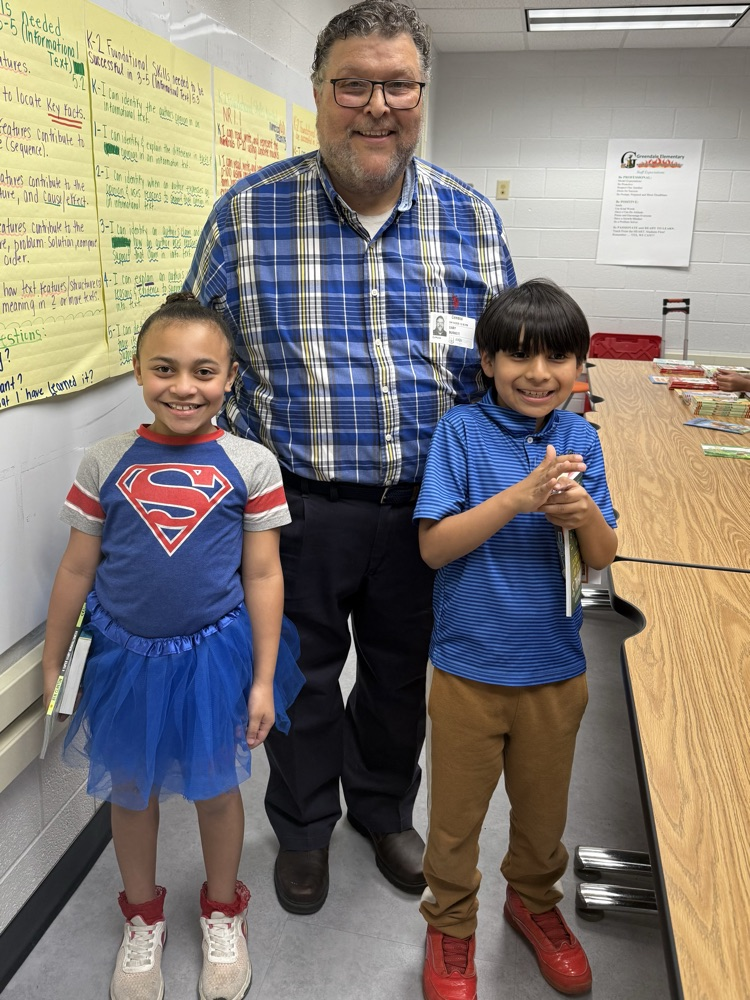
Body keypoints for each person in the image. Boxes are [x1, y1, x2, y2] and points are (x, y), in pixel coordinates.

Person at [185, 0, 516, 916]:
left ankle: (381, 812)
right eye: (354, 85)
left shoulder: (472, 222)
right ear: (320, 93)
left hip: (427, 506)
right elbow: (197, 364)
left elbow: (503, 368)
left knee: (401, 677)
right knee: (301, 678)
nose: (378, 105)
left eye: (398, 84)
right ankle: (301, 830)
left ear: (420, 92)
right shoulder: (246, 219)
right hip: (295, 507)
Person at [41, 294, 304, 1000]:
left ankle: (223, 909)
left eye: (203, 371)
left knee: (218, 790)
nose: (183, 387)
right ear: (137, 370)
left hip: (215, 659)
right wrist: (51, 659)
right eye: (164, 368)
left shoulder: (250, 464)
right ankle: (142, 916)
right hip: (125, 658)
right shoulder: (105, 460)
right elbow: (76, 568)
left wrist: (262, 677)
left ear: (229, 378)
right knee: (131, 792)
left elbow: (263, 572)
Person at [414, 279, 618, 1000]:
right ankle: (451, 922)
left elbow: (602, 554)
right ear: (489, 363)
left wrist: (582, 512)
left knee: (543, 815)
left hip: (556, 671)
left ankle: (534, 904)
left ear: (579, 366)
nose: (539, 374)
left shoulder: (581, 438)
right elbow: (435, 548)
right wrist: (521, 499)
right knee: (455, 820)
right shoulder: (460, 433)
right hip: (469, 669)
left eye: (558, 358)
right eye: (519, 357)